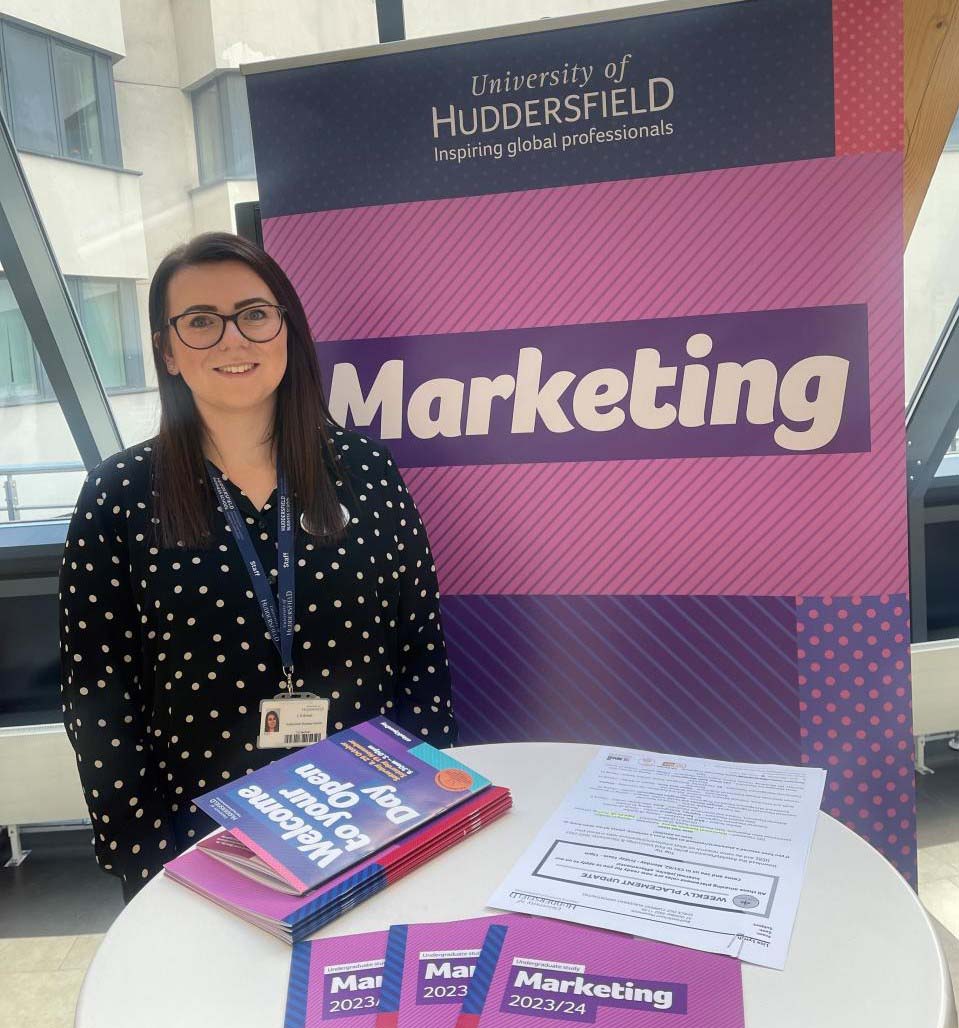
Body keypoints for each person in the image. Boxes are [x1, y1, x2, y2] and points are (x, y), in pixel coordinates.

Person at [59, 232, 456, 900]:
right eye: (200, 323)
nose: (232, 339)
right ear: (168, 351)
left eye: (253, 314)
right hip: (202, 844)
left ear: (286, 330)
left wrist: (424, 801)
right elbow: (99, 701)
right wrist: (153, 856)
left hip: (377, 824)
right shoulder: (120, 494)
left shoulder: (365, 472)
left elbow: (419, 652)